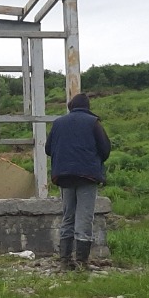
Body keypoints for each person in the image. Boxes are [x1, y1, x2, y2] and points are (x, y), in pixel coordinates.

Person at [46, 92, 111, 270]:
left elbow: (48, 149)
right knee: (84, 217)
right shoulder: (93, 122)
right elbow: (105, 149)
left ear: (71, 106)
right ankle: (82, 262)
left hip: (64, 176)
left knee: (68, 216)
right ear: (87, 107)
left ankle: (65, 261)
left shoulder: (58, 123)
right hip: (87, 176)